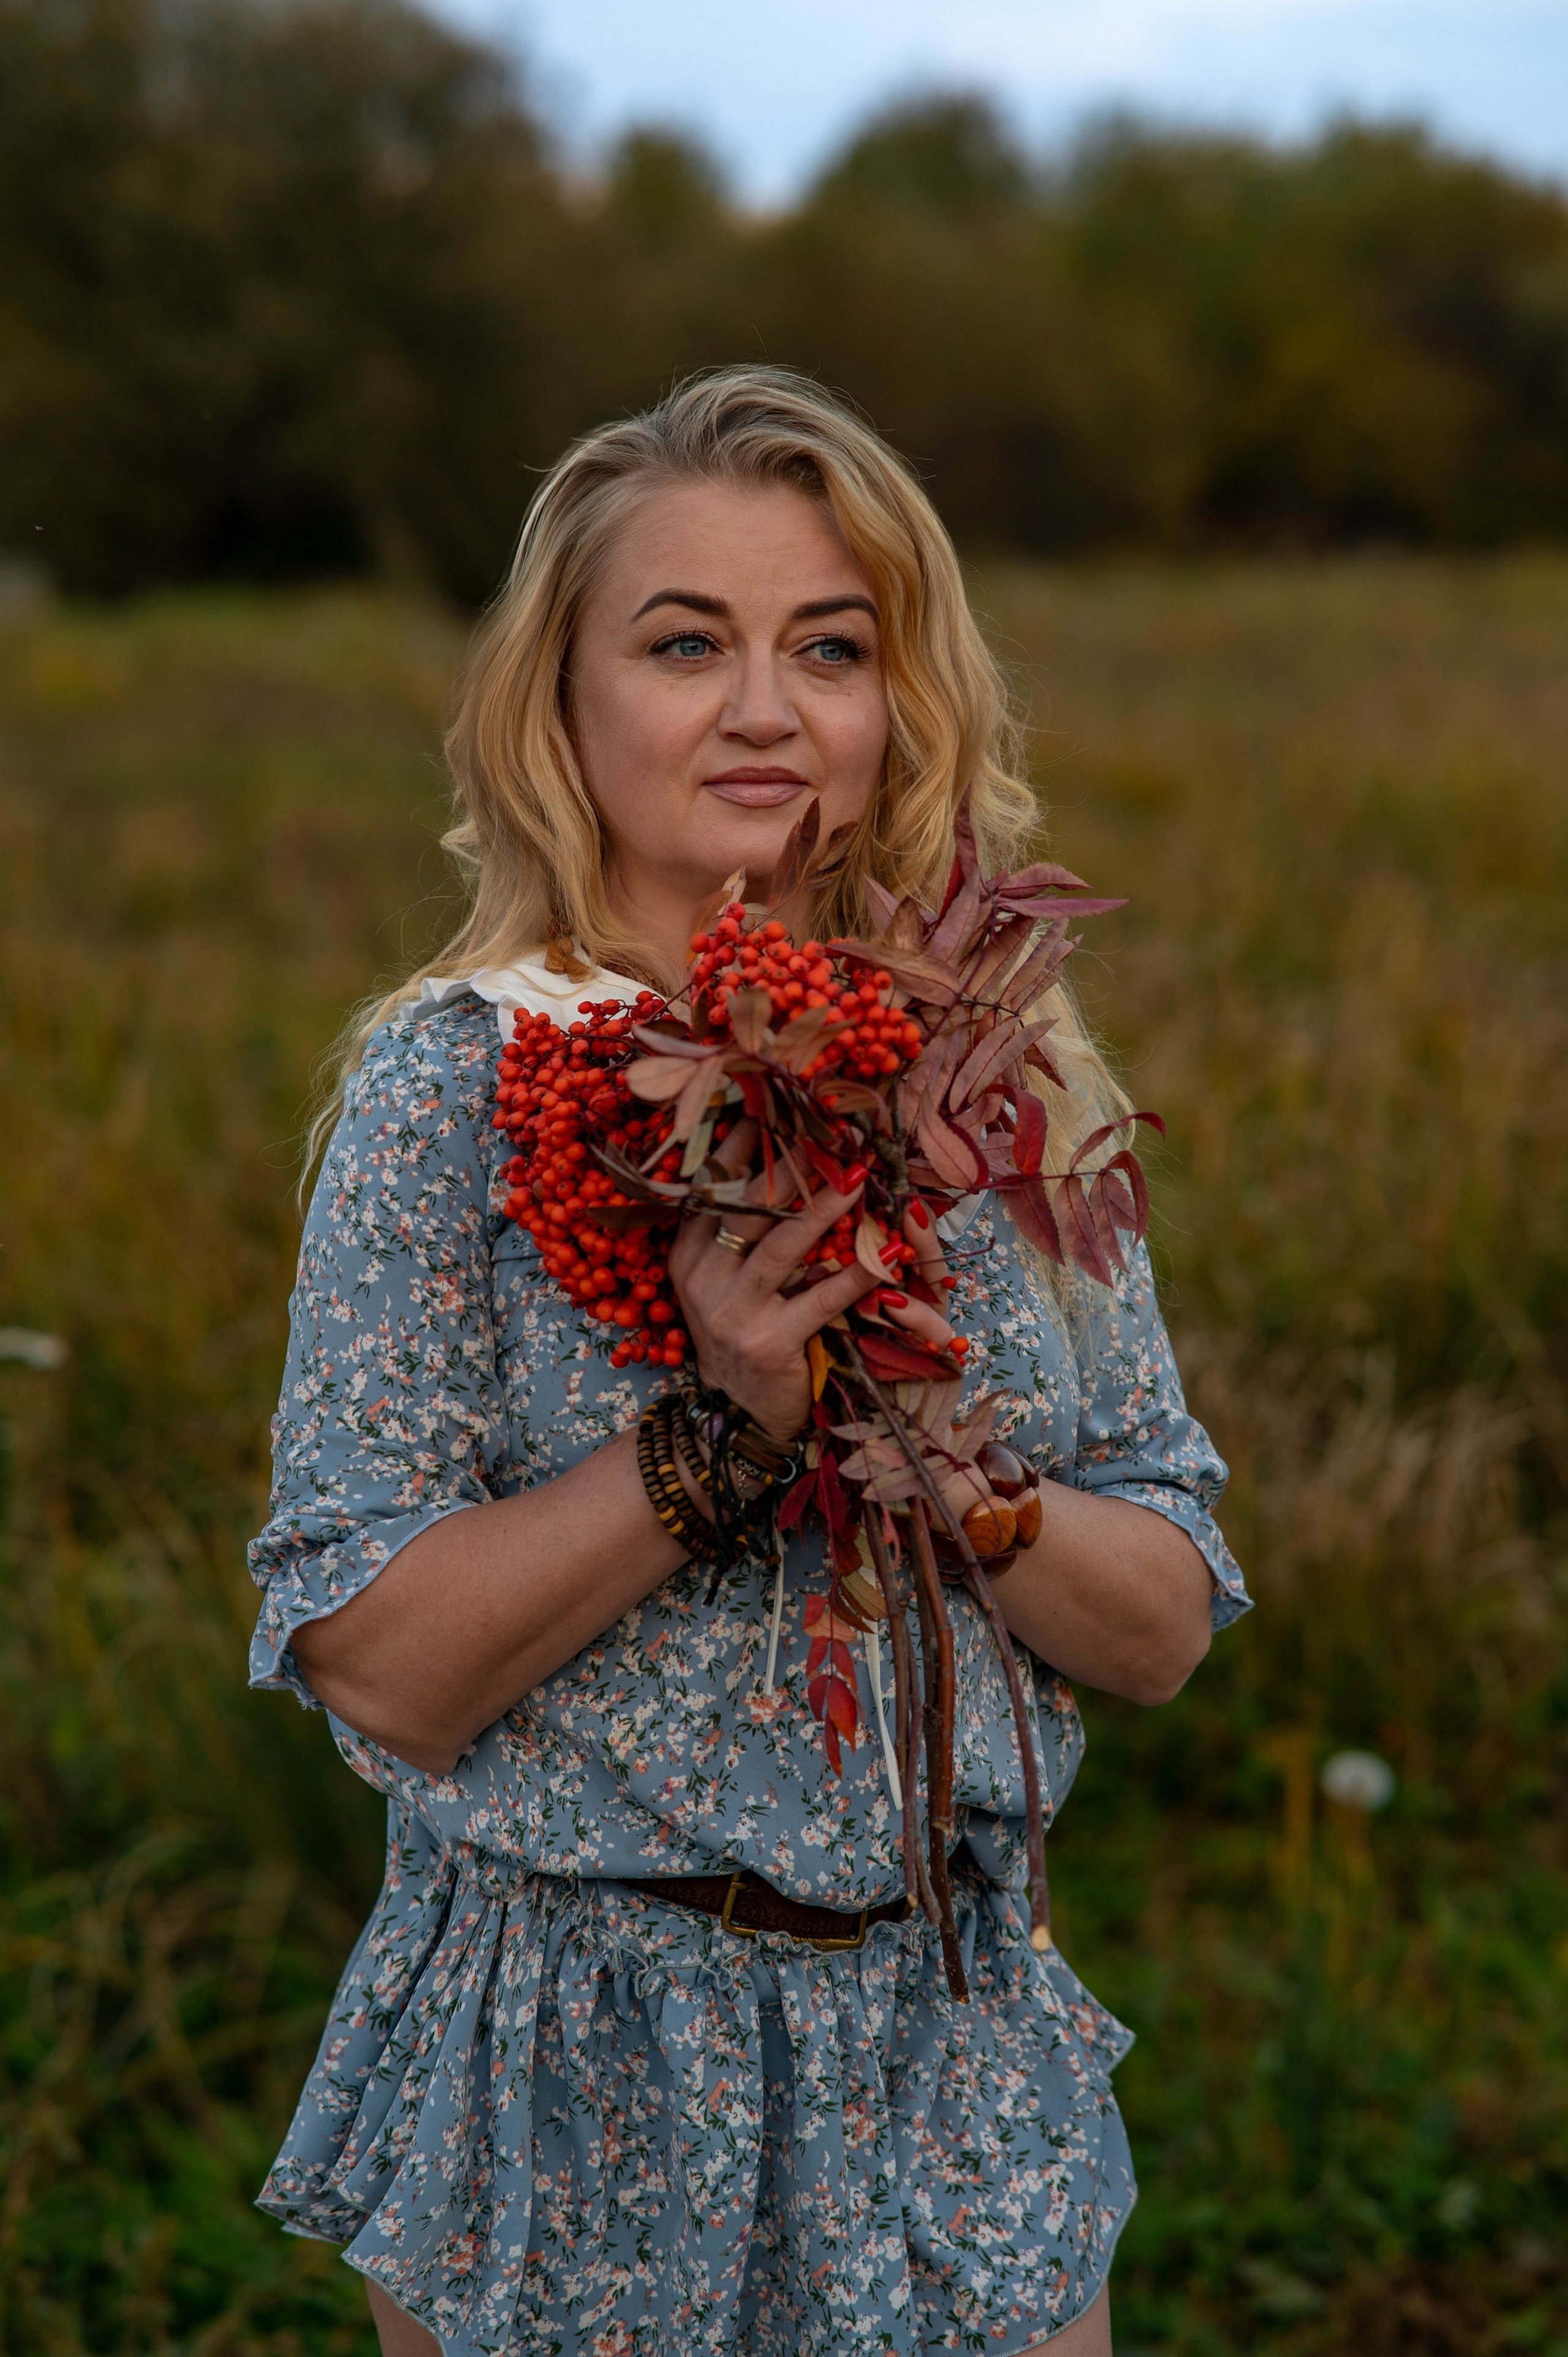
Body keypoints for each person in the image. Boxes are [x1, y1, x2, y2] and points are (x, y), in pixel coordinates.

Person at [248, 366, 1250, 2357]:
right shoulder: (456, 1087)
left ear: (898, 707)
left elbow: (1158, 1632)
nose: (767, 709)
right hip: (577, 2068)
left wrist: (952, 1462)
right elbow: (378, 1661)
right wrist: (717, 1435)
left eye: (832, 646)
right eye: (686, 641)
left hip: (949, 2058)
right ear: (565, 700)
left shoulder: (998, 1083)